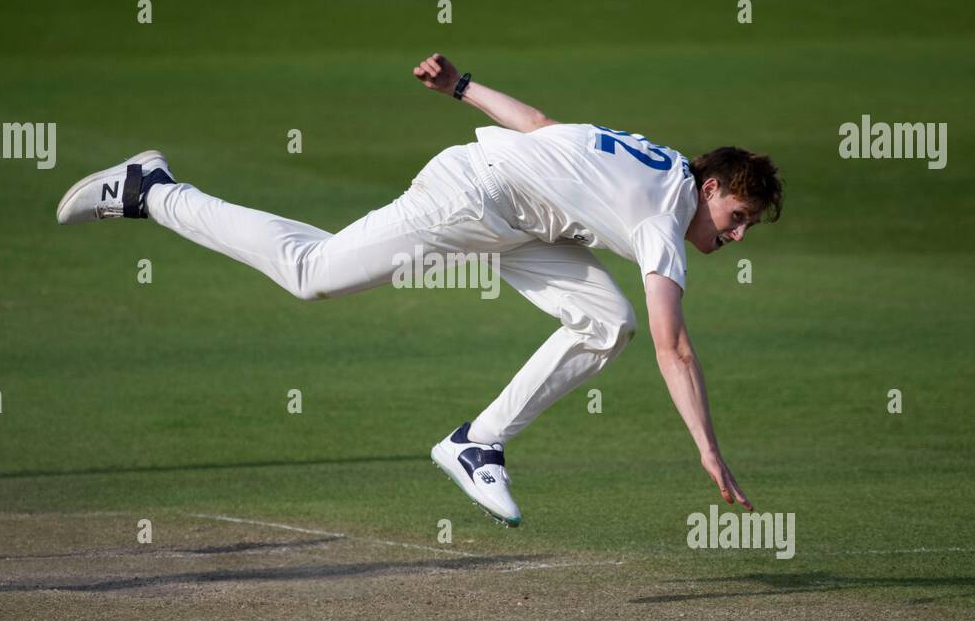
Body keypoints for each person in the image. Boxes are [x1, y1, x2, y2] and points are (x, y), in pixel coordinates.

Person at [55, 53, 783, 527]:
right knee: (312, 275)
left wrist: (463, 86)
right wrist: (708, 450)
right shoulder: (664, 211)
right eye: (737, 217)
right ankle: (153, 191)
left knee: (605, 321)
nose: (736, 235)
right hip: (468, 200)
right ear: (711, 187)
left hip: (524, 225)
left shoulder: (656, 161)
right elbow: (675, 347)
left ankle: (477, 444)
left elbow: (541, 128)